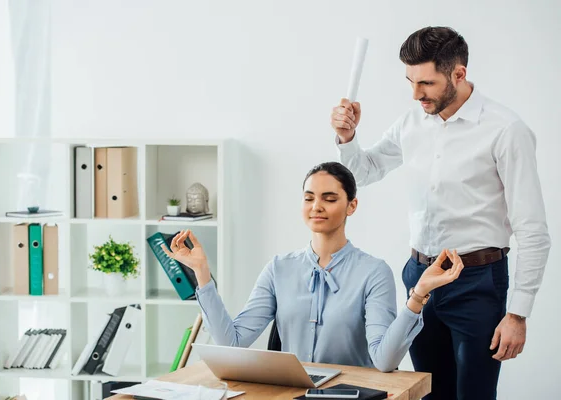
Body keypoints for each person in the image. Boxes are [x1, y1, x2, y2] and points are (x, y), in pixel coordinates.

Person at [331, 26, 551, 399]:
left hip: (478, 281)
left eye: (427, 83)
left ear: (459, 74)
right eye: (410, 82)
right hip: (420, 278)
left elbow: (532, 230)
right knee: (428, 391)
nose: (416, 94)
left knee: (473, 395)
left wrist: (517, 314)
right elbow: (363, 172)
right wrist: (349, 137)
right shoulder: (411, 122)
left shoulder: (506, 130)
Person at [161, 161, 464, 373]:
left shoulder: (373, 272)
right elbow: (232, 342)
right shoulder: (278, 268)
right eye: (309, 198)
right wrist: (202, 272)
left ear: (351, 206)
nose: (316, 206)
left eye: (329, 199)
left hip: (350, 395)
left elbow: (384, 360)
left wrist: (419, 294)